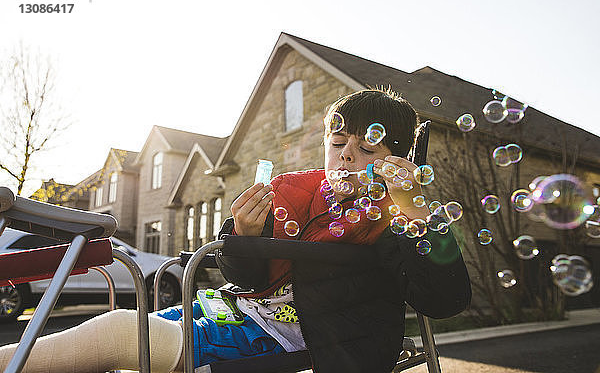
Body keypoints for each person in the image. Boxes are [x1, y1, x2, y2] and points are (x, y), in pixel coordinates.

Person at [0, 88, 471, 373]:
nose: (346, 154)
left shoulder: (397, 221)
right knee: (118, 337)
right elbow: (243, 274)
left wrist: (414, 210)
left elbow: (446, 299)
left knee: (124, 335)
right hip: (236, 311)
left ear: (398, 160)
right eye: (336, 141)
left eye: (367, 147)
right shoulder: (298, 194)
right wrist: (244, 235)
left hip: (306, 335)